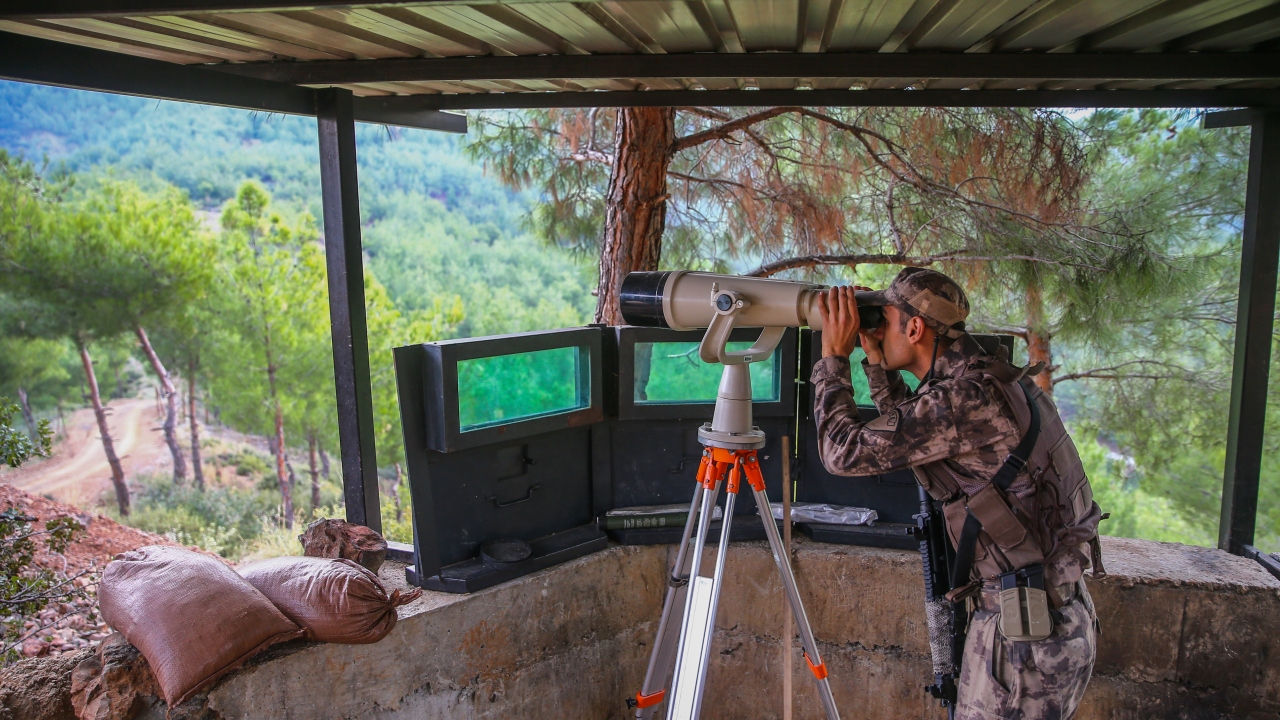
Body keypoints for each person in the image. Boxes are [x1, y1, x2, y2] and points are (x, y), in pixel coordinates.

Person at [812, 267, 1103, 720]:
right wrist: (873, 360)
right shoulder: (991, 378)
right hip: (1049, 616)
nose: (873, 329)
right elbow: (918, 436)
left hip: (1023, 638)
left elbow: (841, 452)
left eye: (882, 320)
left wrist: (832, 358)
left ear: (914, 327)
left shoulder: (964, 399)